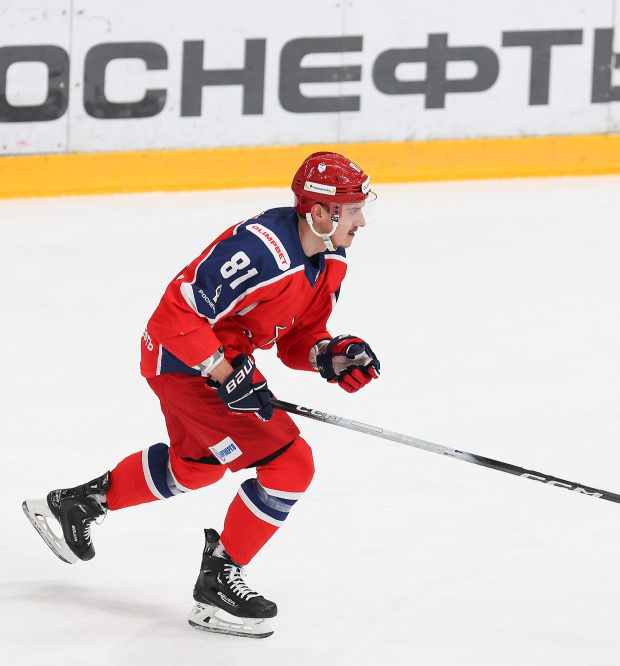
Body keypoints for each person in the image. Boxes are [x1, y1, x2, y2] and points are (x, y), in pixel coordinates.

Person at [23, 151, 380, 639]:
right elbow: (174, 314)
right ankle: (217, 585)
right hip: (183, 361)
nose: (362, 221)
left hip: (216, 364)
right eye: (353, 209)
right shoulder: (260, 250)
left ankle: (78, 504)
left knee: (197, 466)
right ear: (319, 211)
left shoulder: (331, 258)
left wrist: (329, 355)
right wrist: (223, 372)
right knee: (291, 463)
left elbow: (298, 336)